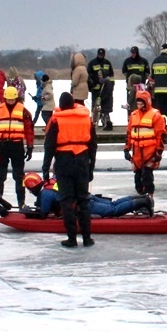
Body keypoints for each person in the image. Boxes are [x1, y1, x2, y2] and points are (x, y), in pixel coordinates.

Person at [42, 92, 98, 248]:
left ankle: (72, 238)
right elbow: (93, 145)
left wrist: (45, 168)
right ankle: (87, 238)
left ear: (61, 105)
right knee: (83, 200)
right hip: (82, 160)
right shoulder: (86, 119)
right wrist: (91, 166)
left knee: (66, 201)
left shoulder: (56, 120)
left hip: (64, 161)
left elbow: (49, 146)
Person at [0, 86, 35, 208]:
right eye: (8, 99)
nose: (10, 101)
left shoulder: (23, 111)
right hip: (1, 146)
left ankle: (21, 203)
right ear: (5, 98)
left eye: (12, 99)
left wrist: (30, 146)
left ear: (16, 99)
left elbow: (29, 130)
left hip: (16, 146)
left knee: (19, 176)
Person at [22, 173, 152, 217]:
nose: (30, 192)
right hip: (85, 197)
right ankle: (142, 198)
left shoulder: (45, 193)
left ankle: (143, 201)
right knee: (113, 204)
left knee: (113, 211)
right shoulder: (52, 181)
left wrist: (28, 213)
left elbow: (43, 214)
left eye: (29, 189)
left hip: (83, 205)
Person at [125, 90, 167, 198]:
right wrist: (126, 149)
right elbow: (129, 133)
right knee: (137, 179)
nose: (139, 106)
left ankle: (148, 198)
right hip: (137, 153)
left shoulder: (155, 115)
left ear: (146, 102)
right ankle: (141, 197)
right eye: (138, 103)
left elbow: (161, 135)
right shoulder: (134, 115)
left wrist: (158, 152)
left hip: (150, 152)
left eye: (141, 103)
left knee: (147, 177)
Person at [87, 49, 114, 115]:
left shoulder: (107, 63)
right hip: (96, 90)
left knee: (105, 108)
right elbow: (89, 76)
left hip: (106, 89)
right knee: (95, 107)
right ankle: (95, 119)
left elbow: (111, 75)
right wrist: (91, 86)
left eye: (102, 55)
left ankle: (105, 118)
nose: (100, 56)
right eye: (99, 54)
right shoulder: (92, 63)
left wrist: (111, 85)